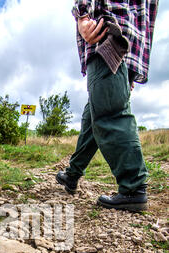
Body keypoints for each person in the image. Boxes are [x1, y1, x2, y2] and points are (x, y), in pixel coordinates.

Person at [56, 0, 159, 212]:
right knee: (94, 114)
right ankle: (72, 174)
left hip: (106, 34)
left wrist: (83, 15)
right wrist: (132, 64)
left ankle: (133, 189)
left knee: (110, 115)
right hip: (130, 44)